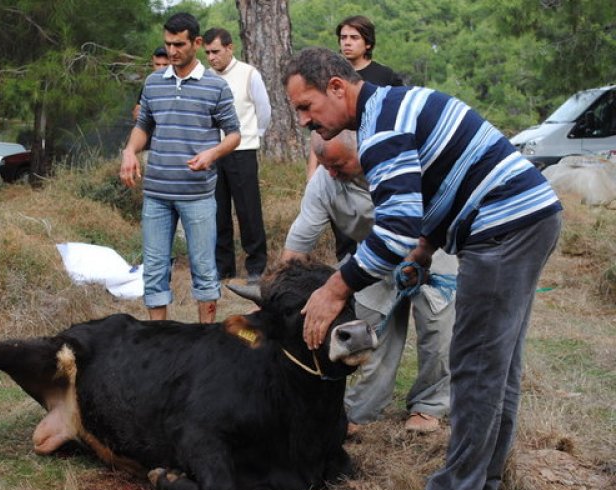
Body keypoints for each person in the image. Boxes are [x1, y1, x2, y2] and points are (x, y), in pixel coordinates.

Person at [283, 47, 562, 490]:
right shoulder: (394, 106)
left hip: (502, 227)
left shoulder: (380, 127)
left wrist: (335, 289)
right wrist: (426, 249)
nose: (305, 121)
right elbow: (440, 181)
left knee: (476, 366)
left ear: (336, 86)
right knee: (498, 366)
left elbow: (392, 229)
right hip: (527, 216)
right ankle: (483, 488)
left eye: (306, 107)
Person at [283, 130, 455, 434]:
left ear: (362, 150)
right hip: (374, 257)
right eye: (324, 164)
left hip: (431, 246)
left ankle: (429, 406)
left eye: (338, 163)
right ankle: (362, 411)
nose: (331, 172)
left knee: (437, 326)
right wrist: (278, 293)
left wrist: (421, 255)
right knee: (366, 327)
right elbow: (298, 247)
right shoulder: (325, 183)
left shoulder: (400, 164)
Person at [120, 13, 241, 323]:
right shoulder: (153, 83)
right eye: (167, 44)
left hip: (197, 194)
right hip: (156, 192)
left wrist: (212, 154)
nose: (172, 51)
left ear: (197, 43)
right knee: (155, 268)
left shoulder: (215, 86)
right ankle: (157, 338)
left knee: (204, 269)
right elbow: (143, 125)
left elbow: (234, 135)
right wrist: (130, 150)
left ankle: (206, 339)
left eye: (179, 44)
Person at [305, 15, 404, 259]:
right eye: (343, 38)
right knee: (345, 235)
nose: (347, 43)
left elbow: (399, 120)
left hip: (375, 165)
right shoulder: (327, 79)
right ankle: (347, 288)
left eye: (354, 38)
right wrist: (312, 173)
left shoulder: (385, 77)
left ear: (367, 43)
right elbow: (318, 131)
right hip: (337, 167)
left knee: (381, 227)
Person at [203, 27, 272, 283]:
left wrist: (254, 135)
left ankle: (256, 266)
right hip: (213, 151)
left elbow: (263, 109)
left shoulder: (248, 74)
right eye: (207, 52)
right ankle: (224, 268)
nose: (212, 57)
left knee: (248, 210)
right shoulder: (205, 77)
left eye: (216, 51)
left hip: (242, 150)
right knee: (218, 211)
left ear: (230, 48)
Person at [132, 46, 170, 122]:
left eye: (165, 64)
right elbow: (137, 114)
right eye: (158, 64)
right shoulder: (149, 84)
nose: (161, 68)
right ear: (153, 63)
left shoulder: (178, 83)